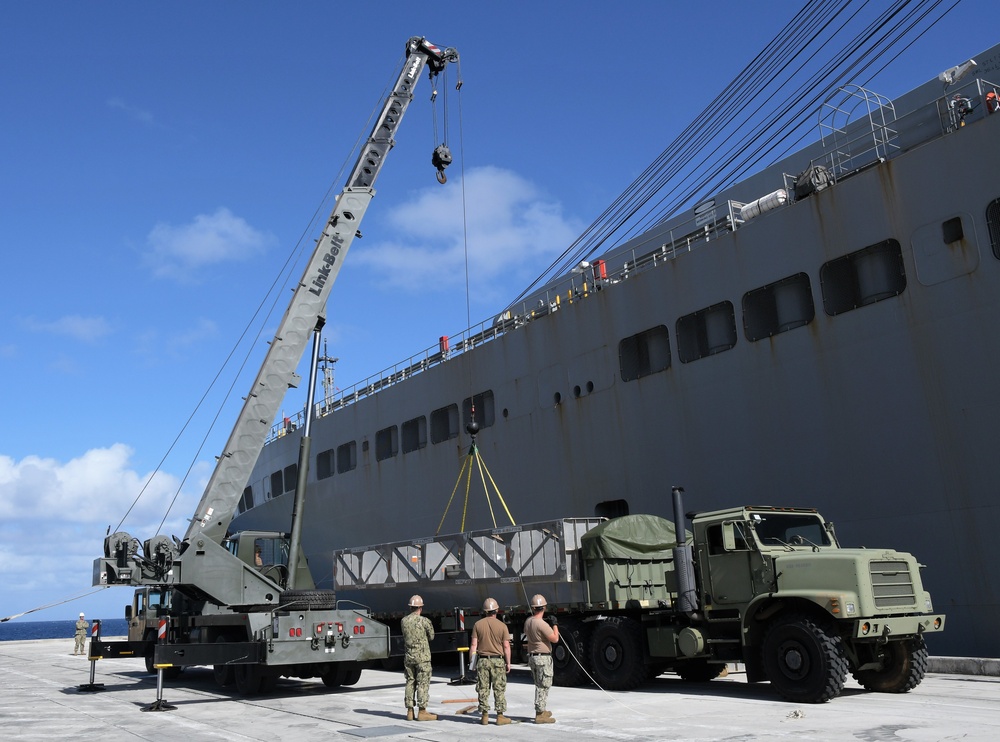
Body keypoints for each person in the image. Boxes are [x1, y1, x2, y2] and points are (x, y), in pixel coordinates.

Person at [469, 597, 511, 726]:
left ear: (485, 611)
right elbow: (506, 647)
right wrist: (508, 662)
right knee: (499, 688)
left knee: (483, 688)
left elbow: (474, 645)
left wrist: (472, 662)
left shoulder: (478, 625)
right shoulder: (502, 626)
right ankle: (500, 716)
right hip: (497, 661)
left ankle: (485, 716)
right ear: (497, 610)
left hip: (482, 661)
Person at [523, 594, 559, 723]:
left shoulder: (528, 621)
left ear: (533, 608)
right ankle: (540, 714)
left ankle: (542, 710)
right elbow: (555, 639)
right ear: (544, 607)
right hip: (543, 658)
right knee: (544, 685)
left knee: (539, 684)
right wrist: (555, 625)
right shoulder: (541, 624)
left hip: (533, 657)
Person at [400, 595, 437, 721]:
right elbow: (431, 636)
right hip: (423, 657)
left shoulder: (404, 621)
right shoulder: (424, 621)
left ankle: (410, 711)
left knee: (410, 681)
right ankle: (422, 711)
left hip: (409, 657)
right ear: (420, 608)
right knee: (423, 683)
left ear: (410, 607)